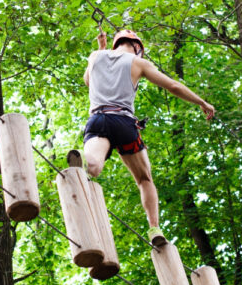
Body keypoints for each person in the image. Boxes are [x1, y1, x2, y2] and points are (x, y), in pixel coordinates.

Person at [81, 30, 215, 247]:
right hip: (124, 124)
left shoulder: (95, 56)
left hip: (98, 120)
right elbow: (173, 86)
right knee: (144, 179)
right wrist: (202, 102)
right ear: (137, 47)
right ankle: (154, 228)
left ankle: (83, 160)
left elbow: (89, 81)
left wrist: (100, 48)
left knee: (93, 167)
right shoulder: (137, 63)